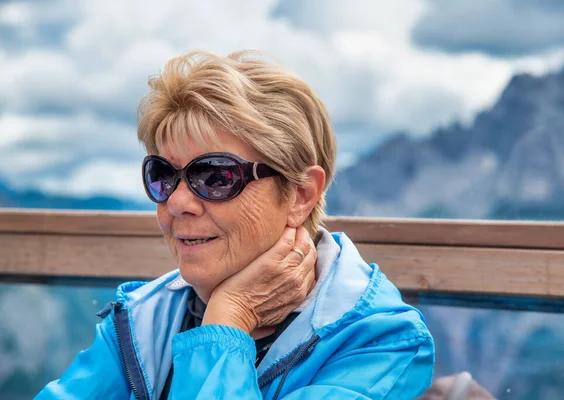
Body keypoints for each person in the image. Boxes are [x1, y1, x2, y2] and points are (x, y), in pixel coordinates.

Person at [36, 50, 434, 399]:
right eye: (163, 174)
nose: (176, 202)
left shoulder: (381, 342)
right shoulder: (139, 322)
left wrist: (230, 319)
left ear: (300, 195)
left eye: (215, 176)